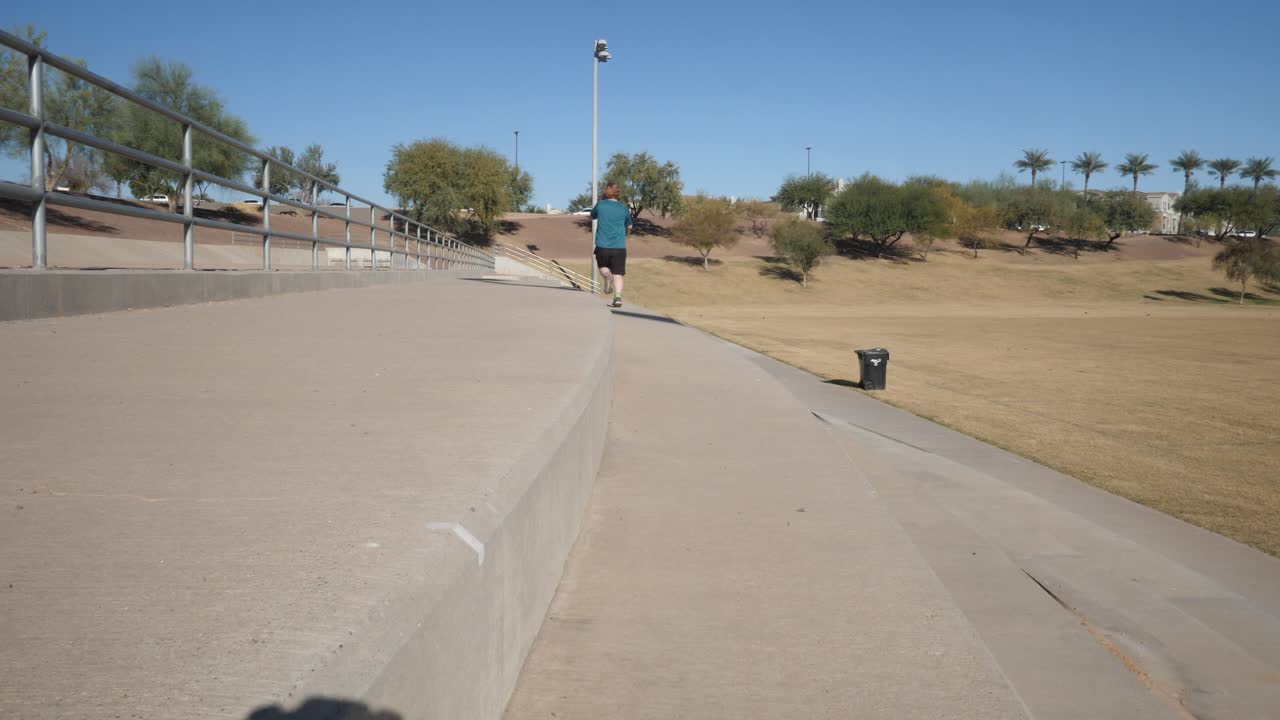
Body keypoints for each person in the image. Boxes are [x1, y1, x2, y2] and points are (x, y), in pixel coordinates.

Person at [591, 183, 632, 308]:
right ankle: (617, 298)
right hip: (619, 247)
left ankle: (606, 276)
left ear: (606, 193)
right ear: (618, 193)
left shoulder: (600, 205)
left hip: (602, 245)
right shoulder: (623, 208)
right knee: (618, 274)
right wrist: (626, 234)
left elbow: (592, 216)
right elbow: (630, 225)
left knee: (603, 266)